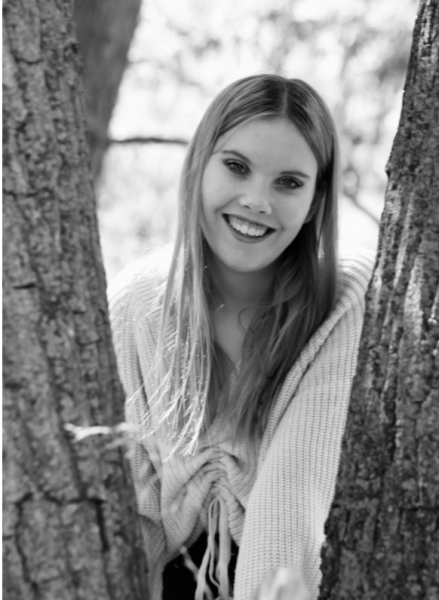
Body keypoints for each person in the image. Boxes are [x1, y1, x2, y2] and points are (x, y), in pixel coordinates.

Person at [108, 74, 374, 600]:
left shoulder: (344, 303)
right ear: (199, 164)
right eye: (236, 167)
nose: (257, 200)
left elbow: (291, 506)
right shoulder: (136, 301)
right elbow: (128, 512)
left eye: (289, 182)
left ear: (318, 197)